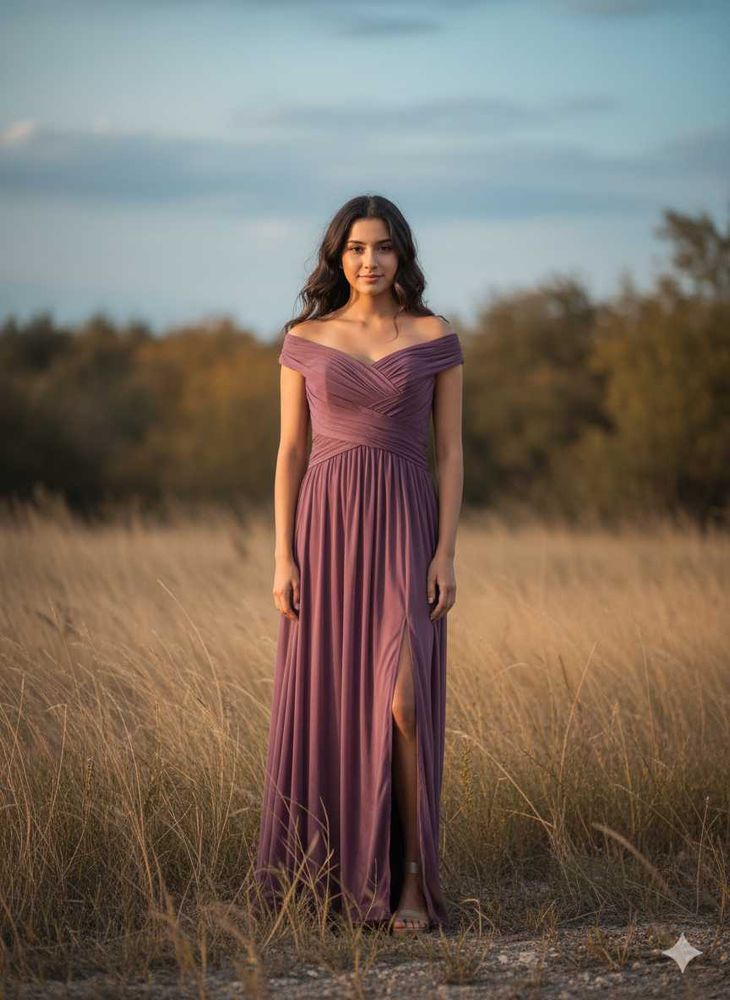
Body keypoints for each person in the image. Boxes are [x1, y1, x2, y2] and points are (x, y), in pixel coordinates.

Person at [255, 193, 464, 934]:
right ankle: (336, 878)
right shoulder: (304, 338)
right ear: (337, 256)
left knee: (405, 700)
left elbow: (451, 453)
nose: (368, 261)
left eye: (381, 247)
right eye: (354, 248)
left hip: (405, 524)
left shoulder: (435, 335)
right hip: (326, 529)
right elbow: (290, 451)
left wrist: (445, 551)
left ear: (401, 253)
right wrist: (283, 555)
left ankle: (410, 880)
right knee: (333, 700)